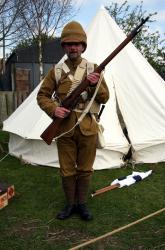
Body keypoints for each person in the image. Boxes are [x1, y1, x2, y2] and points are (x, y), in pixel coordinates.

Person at [37, 21, 109, 221]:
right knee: (67, 169)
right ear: (64, 47)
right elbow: (42, 96)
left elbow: (104, 98)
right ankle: (70, 205)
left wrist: (95, 86)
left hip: (87, 127)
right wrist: (54, 109)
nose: (73, 47)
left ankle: (82, 204)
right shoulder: (56, 71)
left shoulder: (93, 69)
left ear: (83, 46)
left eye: (77, 43)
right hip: (64, 129)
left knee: (85, 169)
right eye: (69, 44)